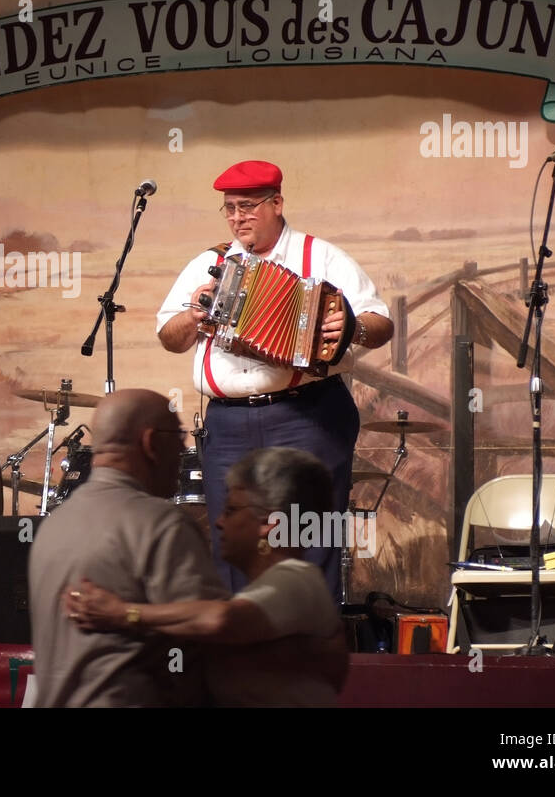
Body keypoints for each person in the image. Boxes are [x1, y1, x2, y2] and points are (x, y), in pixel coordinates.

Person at [156, 161, 392, 600]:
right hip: (228, 424)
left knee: (312, 536)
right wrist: (193, 315)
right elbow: (169, 338)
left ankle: (307, 649)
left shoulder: (319, 256)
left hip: (309, 415)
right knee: (234, 538)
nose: (236, 217)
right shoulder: (210, 263)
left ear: (277, 204)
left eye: (247, 206)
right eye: (228, 208)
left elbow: (381, 323)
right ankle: (241, 653)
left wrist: (351, 328)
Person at [66, 447, 348, 706]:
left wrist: (121, 613)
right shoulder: (277, 593)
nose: (218, 521)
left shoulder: (297, 579)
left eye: (231, 510)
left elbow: (220, 620)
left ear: (269, 524)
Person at [28, 389, 228, 707]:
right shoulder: (161, 524)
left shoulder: (51, 527)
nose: (182, 449)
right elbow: (216, 630)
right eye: (177, 436)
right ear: (150, 442)